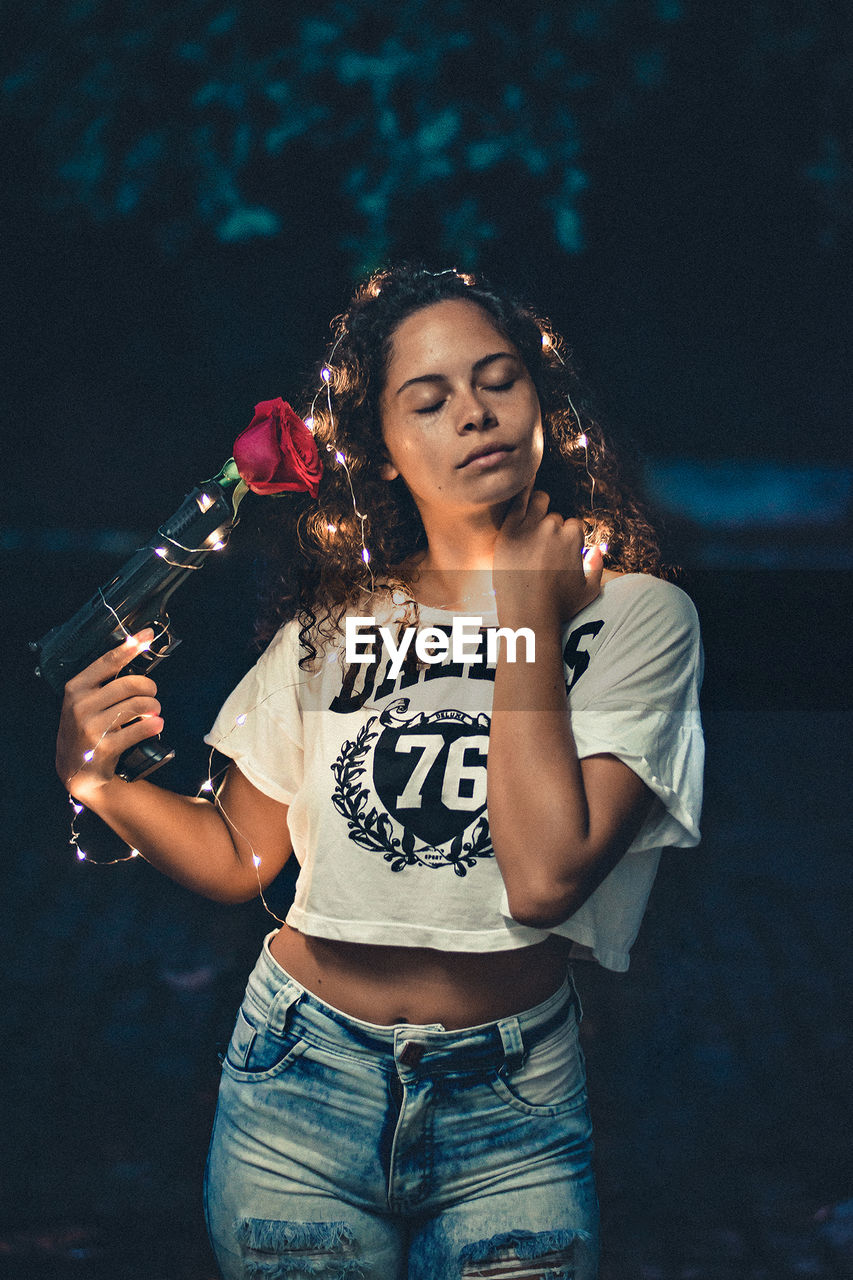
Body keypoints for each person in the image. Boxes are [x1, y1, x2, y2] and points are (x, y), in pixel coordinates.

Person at [55, 265, 704, 1280]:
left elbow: (543, 876)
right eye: (429, 398)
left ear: (541, 402)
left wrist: (526, 612)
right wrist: (99, 778)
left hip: (514, 1105)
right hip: (297, 1083)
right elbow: (240, 855)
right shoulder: (335, 627)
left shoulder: (638, 617)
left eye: (498, 379)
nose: (476, 413)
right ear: (388, 452)